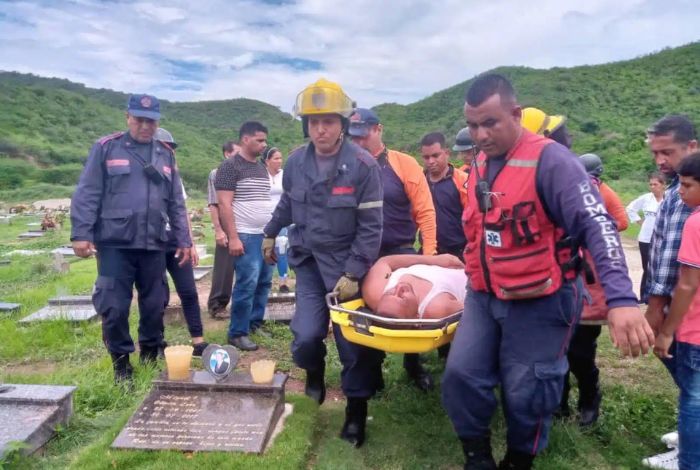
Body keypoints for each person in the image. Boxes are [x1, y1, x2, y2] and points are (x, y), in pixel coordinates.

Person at [441, 74, 652, 470]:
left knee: (529, 388)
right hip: (486, 295)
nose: (480, 135)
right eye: (473, 126)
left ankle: (520, 459)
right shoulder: (481, 163)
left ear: (516, 114)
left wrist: (622, 300)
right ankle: (477, 455)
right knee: (461, 376)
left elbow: (598, 226)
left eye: (490, 123)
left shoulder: (553, 161)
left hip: (541, 298)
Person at [262, 78, 385, 448]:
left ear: (343, 123)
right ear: (305, 125)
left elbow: (371, 226)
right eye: (313, 121)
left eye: (328, 121)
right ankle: (314, 375)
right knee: (303, 336)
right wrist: (271, 231)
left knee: (353, 345)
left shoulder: (363, 166)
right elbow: (288, 203)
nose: (320, 128)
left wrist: (354, 272)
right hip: (310, 262)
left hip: (347, 267)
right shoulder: (297, 161)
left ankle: (356, 412)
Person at [70, 94, 191, 384]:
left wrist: (184, 238)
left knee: (155, 303)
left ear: (157, 122)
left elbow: (176, 201)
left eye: (151, 121)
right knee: (114, 305)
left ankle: (150, 353)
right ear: (128, 117)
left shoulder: (165, 154)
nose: (145, 126)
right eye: (139, 119)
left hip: (153, 243)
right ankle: (121, 365)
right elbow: (88, 192)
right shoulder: (106, 148)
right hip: (115, 243)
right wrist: (81, 233)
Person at [349, 107, 438, 392]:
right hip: (363, 252)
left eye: (363, 135)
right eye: (353, 137)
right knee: (367, 312)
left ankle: (414, 365)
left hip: (401, 251)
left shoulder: (404, 163)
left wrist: (430, 255)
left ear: (378, 129)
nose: (358, 142)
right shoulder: (347, 165)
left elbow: (425, 211)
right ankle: (372, 371)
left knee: (409, 310)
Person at [642, 115, 698, 469]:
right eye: (655, 154)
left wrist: (657, 310)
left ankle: (691, 449)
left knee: (692, 385)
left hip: (682, 310)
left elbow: (679, 271)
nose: (661, 161)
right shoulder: (680, 189)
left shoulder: (688, 197)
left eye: (667, 152)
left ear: (691, 147)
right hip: (679, 306)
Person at [559, 151, 629, 427]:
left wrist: (594, 231)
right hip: (563, 274)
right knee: (557, 350)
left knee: (580, 352)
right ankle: (559, 404)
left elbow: (621, 221)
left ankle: (590, 399)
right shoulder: (563, 189)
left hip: (590, 278)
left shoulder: (605, 193)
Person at [653, 152, 700, 470]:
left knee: (694, 400)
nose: (679, 192)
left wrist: (666, 331)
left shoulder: (695, 222)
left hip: (695, 332)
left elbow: (687, 285)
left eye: (686, 185)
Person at [215, 121, 273, 351]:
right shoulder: (229, 167)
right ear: (245, 139)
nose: (264, 145)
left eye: (265, 140)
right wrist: (234, 237)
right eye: (260, 140)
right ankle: (237, 332)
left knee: (264, 282)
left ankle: (255, 323)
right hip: (246, 236)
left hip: (265, 235)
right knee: (246, 284)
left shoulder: (260, 167)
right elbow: (224, 204)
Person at [154, 128, 208, 357]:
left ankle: (198, 340)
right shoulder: (142, 176)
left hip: (176, 242)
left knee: (188, 291)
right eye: (165, 147)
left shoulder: (174, 175)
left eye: (171, 148)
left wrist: (190, 242)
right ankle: (156, 341)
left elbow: (182, 210)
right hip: (153, 242)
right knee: (157, 295)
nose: (169, 151)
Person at [363, 254, 466, 319]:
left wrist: (435, 260)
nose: (399, 287)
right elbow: (476, 309)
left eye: (390, 293)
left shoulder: (374, 293)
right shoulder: (437, 308)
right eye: (403, 299)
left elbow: (385, 261)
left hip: (444, 259)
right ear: (416, 317)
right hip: (472, 272)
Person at [420, 132, 469, 260]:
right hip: (428, 252)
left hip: (459, 252)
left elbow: (474, 219)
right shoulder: (418, 181)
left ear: (446, 153)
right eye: (426, 157)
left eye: (435, 156)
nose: (431, 161)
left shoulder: (462, 180)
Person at [207, 140, 241, 319]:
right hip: (226, 223)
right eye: (236, 153)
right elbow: (214, 204)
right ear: (227, 154)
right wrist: (219, 230)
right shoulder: (217, 173)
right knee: (224, 267)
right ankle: (217, 305)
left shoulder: (245, 171)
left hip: (243, 224)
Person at [626, 172, 667, 303]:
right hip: (645, 238)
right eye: (651, 184)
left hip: (662, 238)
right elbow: (630, 208)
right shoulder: (646, 198)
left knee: (660, 267)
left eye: (656, 184)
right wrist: (639, 221)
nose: (653, 187)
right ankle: (644, 295)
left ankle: (658, 296)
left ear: (663, 185)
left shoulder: (668, 199)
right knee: (647, 267)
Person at [263, 146, 290, 293]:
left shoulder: (285, 175)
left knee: (281, 248)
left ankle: (283, 282)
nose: (280, 161)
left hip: (281, 218)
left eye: (281, 158)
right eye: (276, 158)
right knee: (266, 250)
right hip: (264, 217)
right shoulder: (261, 176)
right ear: (267, 161)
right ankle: (265, 282)